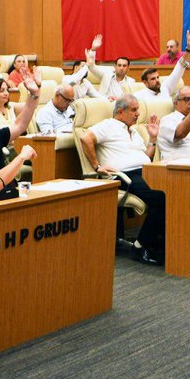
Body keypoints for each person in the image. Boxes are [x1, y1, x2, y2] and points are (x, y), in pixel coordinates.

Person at [78, 94, 166, 265]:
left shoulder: (133, 130)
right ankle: (140, 247)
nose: (137, 114)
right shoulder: (108, 125)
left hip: (146, 171)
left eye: (137, 110)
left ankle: (157, 242)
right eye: (133, 110)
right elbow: (85, 138)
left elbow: (146, 157)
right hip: (126, 175)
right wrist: (97, 166)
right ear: (120, 111)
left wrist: (153, 139)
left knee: (174, 191)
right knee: (161, 199)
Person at [70, 34, 137, 97]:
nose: (121, 68)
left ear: (128, 68)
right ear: (115, 67)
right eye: (119, 65)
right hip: (105, 104)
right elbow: (92, 67)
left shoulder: (131, 82)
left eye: (124, 66)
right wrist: (93, 49)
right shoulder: (107, 74)